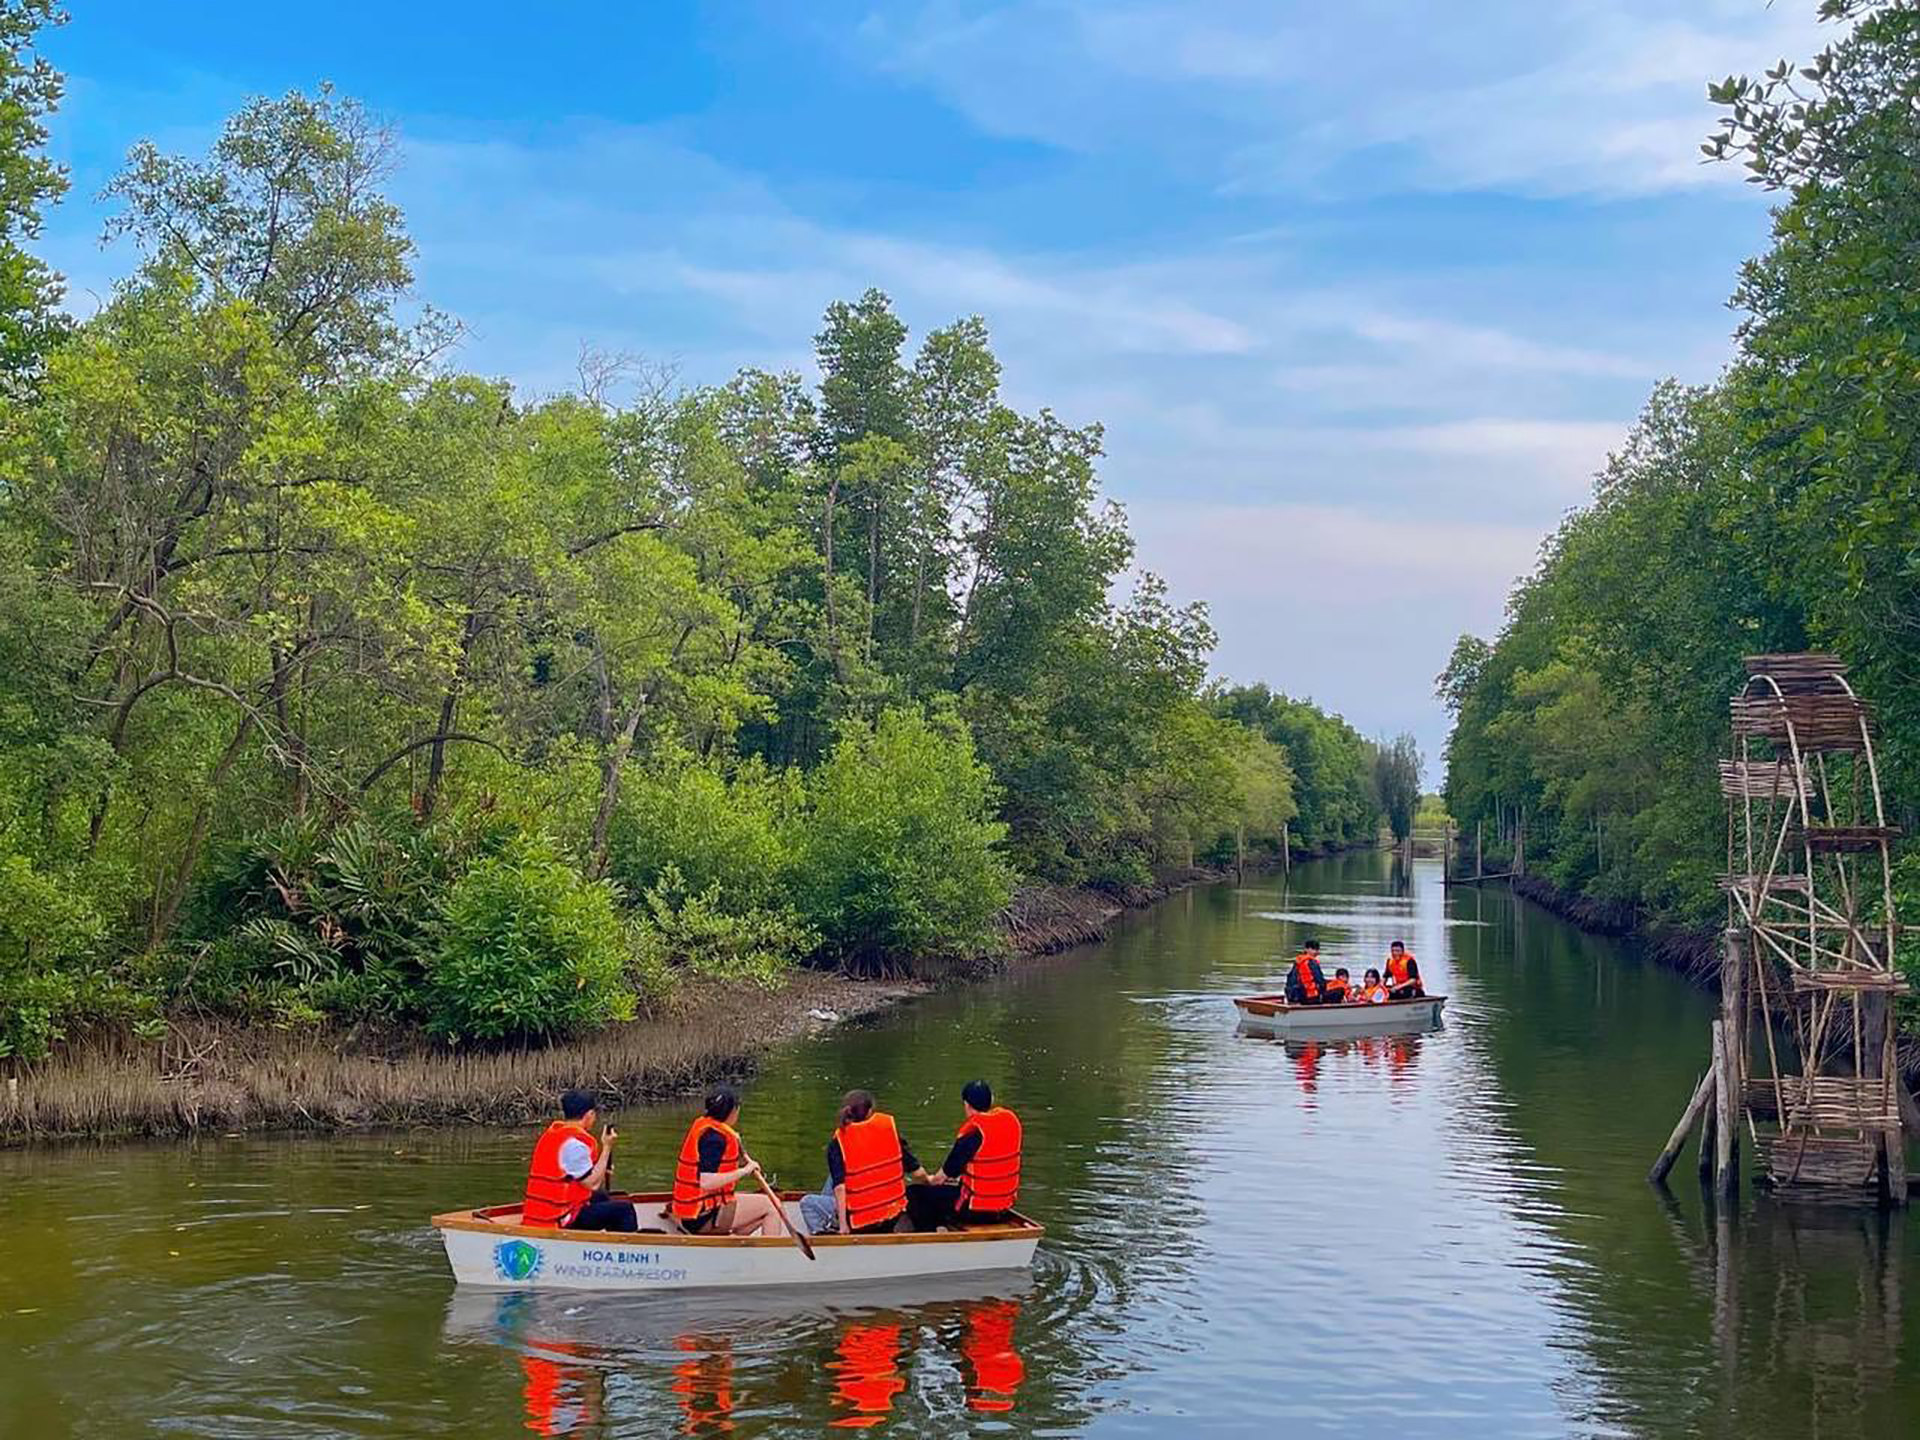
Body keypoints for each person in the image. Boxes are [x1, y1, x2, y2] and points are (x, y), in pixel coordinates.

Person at [908, 1080, 1023, 1230]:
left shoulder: (973, 1133)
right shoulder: (1011, 1122)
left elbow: (942, 1176)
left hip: (975, 1210)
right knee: (947, 1191)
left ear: (967, 1105)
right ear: (992, 1101)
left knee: (915, 1194)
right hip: (1002, 1208)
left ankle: (928, 1237)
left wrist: (928, 1180)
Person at [669, 1085, 782, 1235]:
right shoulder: (715, 1138)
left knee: (760, 1213)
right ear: (732, 1111)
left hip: (697, 1211)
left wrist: (743, 1160)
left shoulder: (708, 1127)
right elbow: (706, 1181)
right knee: (772, 1206)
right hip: (703, 1216)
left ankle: (733, 1248)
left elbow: (716, 1163)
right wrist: (744, 1171)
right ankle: (771, 1255)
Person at [523, 1088, 637, 1232]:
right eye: (594, 1114)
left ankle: (606, 1241)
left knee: (601, 1196)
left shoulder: (554, 1134)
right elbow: (592, 1183)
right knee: (624, 1210)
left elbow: (583, 1177)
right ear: (589, 1115)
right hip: (558, 1218)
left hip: (545, 1209)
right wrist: (607, 1147)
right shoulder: (575, 1144)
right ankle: (629, 1249)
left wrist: (602, 1166)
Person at [828, 1089, 928, 1235]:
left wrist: (843, 1226)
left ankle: (824, 1233)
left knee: (809, 1202)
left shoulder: (838, 1142)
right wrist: (930, 1182)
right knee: (834, 1178)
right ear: (870, 1112)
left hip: (860, 1220)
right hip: (893, 1215)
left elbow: (840, 1188)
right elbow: (918, 1173)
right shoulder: (889, 1131)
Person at [1284, 939, 1329, 1005]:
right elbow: (1320, 980)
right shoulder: (1312, 962)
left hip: (1296, 996)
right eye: (1314, 949)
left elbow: (1290, 979)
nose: (1316, 952)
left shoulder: (1298, 961)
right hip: (1310, 997)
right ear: (1306, 949)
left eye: (1317, 949)